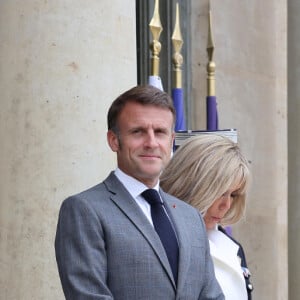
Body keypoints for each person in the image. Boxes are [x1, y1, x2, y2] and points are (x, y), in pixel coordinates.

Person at [55, 85, 224, 300]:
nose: (151, 143)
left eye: (160, 132)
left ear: (171, 142)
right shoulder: (84, 210)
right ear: (114, 140)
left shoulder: (190, 216)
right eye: (138, 132)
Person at [160, 134, 253, 300]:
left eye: (233, 194)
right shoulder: (156, 240)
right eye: (220, 192)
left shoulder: (232, 247)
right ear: (190, 185)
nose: (227, 205)